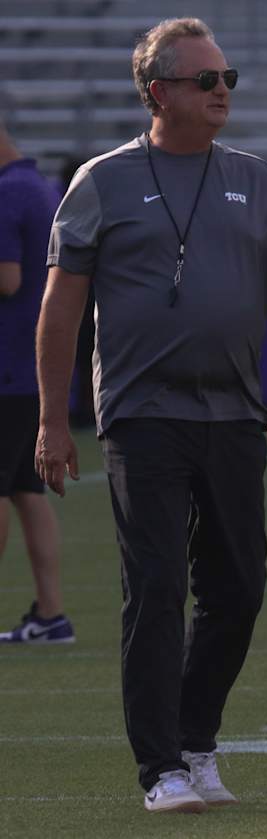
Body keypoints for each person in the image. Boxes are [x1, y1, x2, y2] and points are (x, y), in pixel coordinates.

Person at [35, 17, 267, 815]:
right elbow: (60, 311)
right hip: (142, 413)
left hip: (235, 414)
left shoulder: (259, 178)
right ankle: (160, 768)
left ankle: (196, 740)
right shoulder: (101, 180)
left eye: (227, 78)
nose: (222, 92)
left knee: (239, 587)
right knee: (157, 583)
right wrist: (50, 420)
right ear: (157, 91)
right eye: (206, 81)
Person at [0, 123, 75, 646]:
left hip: (5, 367)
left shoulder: (7, 192)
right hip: (31, 366)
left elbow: (8, 278)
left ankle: (51, 615)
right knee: (28, 490)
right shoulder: (40, 187)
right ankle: (51, 614)